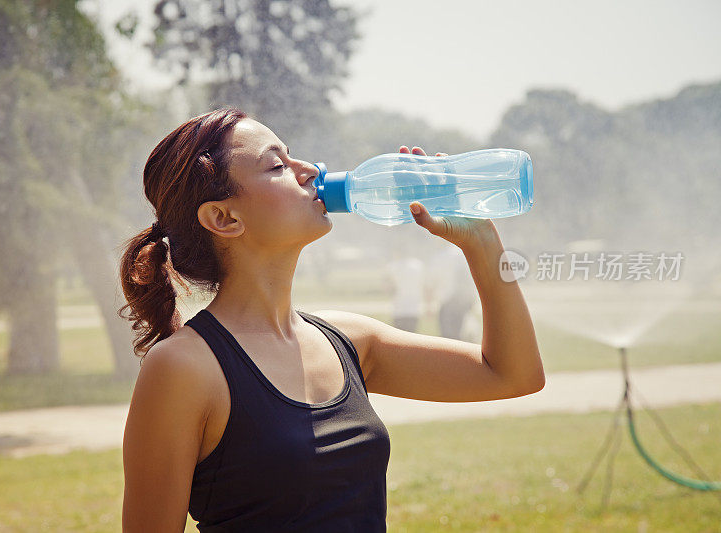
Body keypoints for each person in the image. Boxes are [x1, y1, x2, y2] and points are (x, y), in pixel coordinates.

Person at [119, 107, 545, 532]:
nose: (311, 170)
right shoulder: (184, 368)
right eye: (278, 165)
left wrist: (482, 244)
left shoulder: (350, 341)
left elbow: (513, 375)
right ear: (224, 218)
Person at [428, 245, 479, 340]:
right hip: (463, 301)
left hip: (447, 302)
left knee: (447, 338)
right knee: (460, 334)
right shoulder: (462, 254)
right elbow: (470, 278)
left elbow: (431, 283)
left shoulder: (439, 257)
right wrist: (473, 298)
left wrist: (429, 304)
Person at [386, 252, 425, 332]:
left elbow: (388, 287)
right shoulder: (418, 265)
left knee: (399, 340)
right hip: (414, 309)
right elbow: (424, 284)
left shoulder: (392, 266)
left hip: (399, 309)